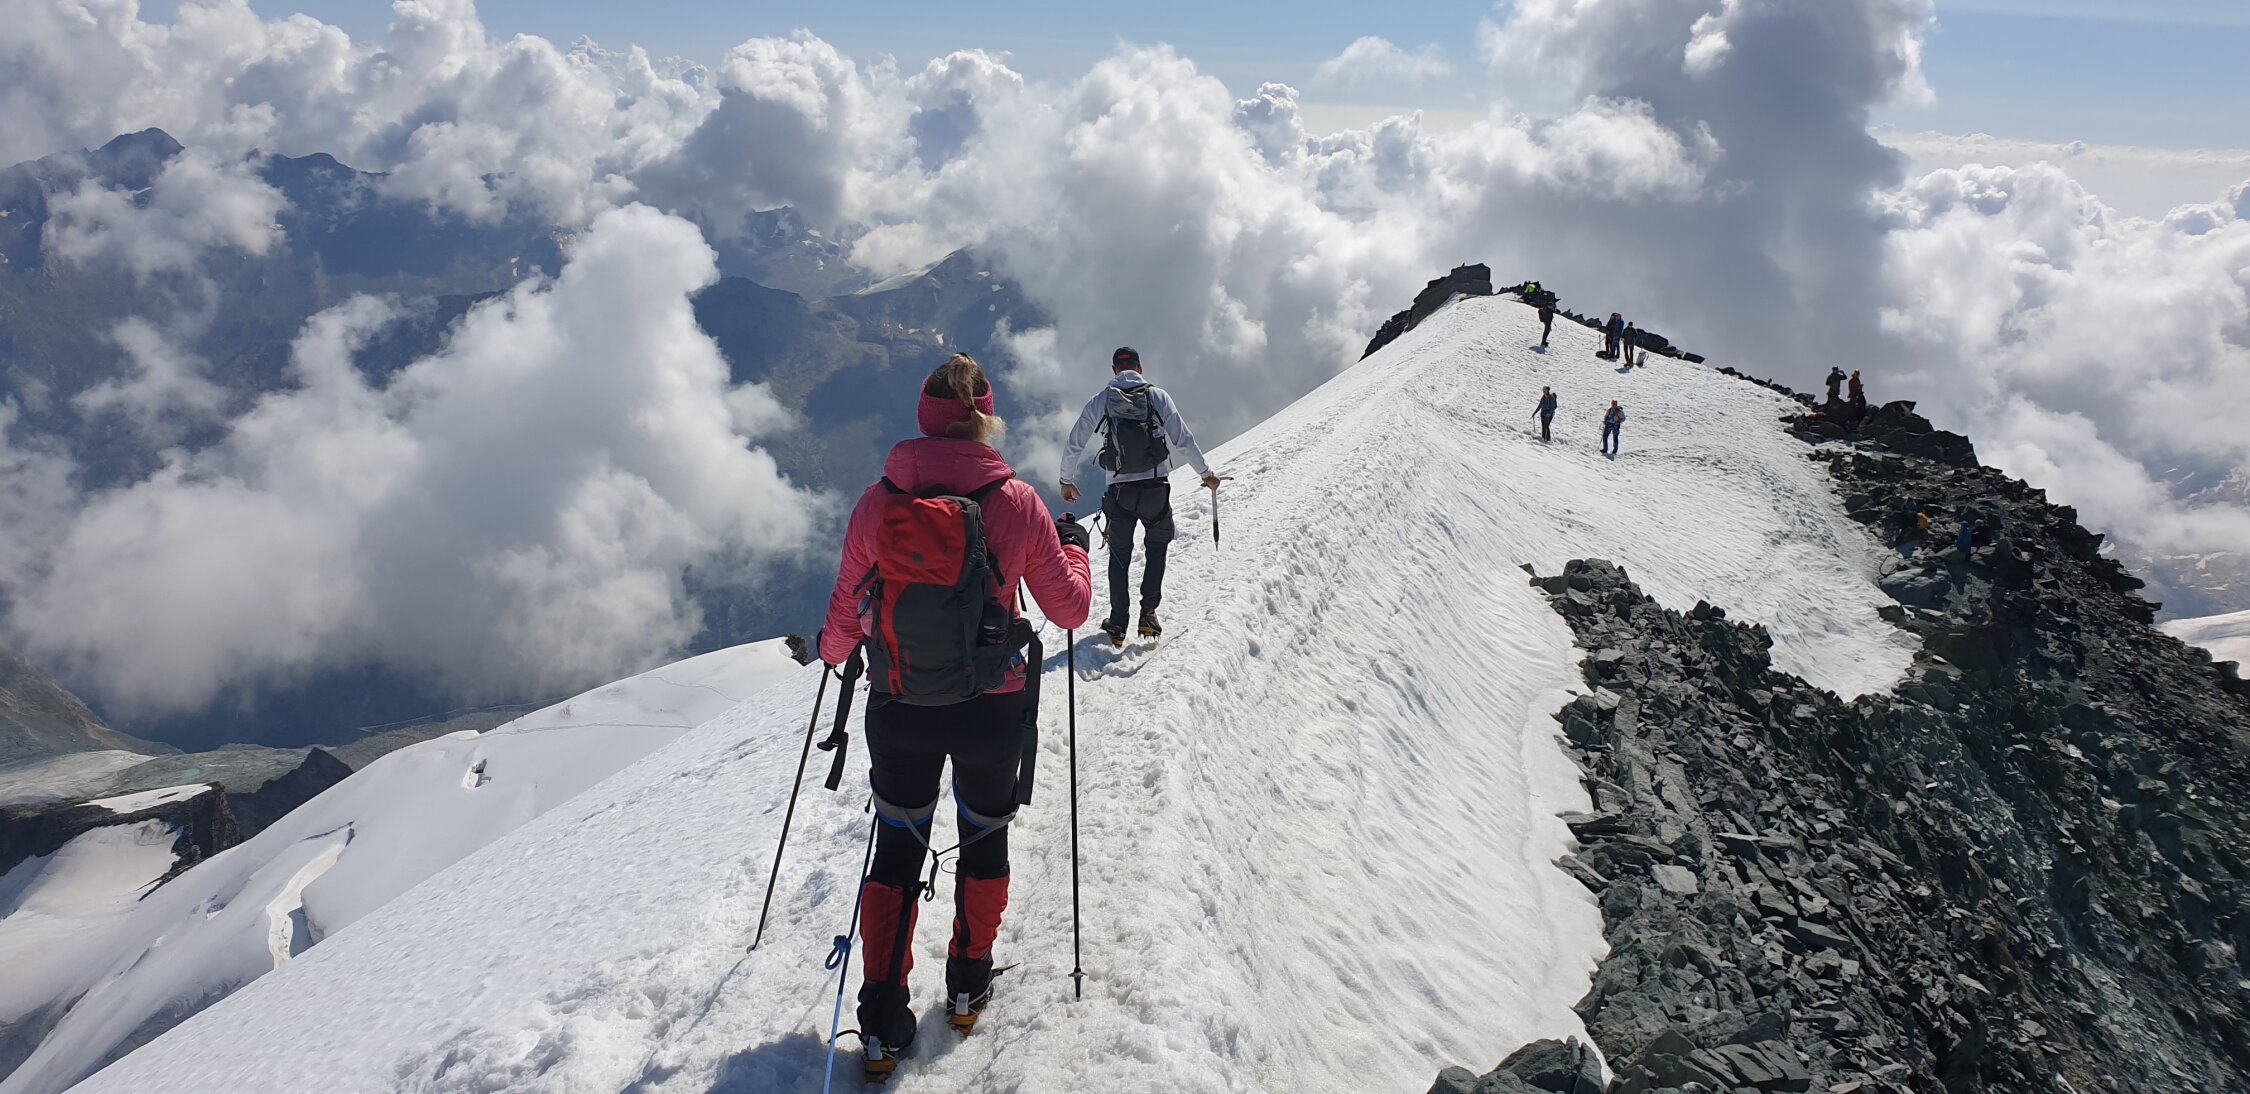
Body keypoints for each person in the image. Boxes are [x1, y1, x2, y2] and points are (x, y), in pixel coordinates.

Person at [819, 354, 1093, 1074]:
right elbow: (1069, 609)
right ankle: (968, 984)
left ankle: (881, 1022)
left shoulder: (878, 502)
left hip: (899, 704)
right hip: (989, 710)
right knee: (984, 835)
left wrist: (831, 651)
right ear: (985, 418)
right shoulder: (1017, 503)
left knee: (897, 848)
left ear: (922, 416)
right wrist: (1075, 551)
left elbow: (846, 609)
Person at [1060, 346, 1220, 645]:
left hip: (1119, 491)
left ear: (1114, 370)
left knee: (1120, 554)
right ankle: (1148, 614)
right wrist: (1205, 474)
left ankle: (1118, 622)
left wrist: (1066, 480)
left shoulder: (1101, 400)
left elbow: (1076, 440)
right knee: (1156, 548)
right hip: (1155, 488)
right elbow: (1183, 438)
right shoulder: (1157, 396)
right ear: (1140, 368)